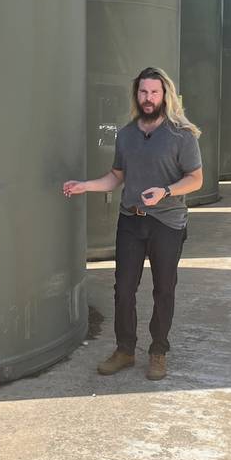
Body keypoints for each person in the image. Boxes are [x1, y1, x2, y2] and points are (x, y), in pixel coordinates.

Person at [64, 67, 203, 380]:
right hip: (131, 221)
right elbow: (116, 177)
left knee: (163, 289)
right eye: (143, 92)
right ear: (136, 95)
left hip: (167, 222)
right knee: (123, 289)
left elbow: (196, 179)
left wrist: (166, 191)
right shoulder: (126, 134)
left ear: (164, 94)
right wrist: (85, 186)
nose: (148, 98)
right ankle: (125, 349)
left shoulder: (182, 135)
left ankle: (158, 351)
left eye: (154, 92)